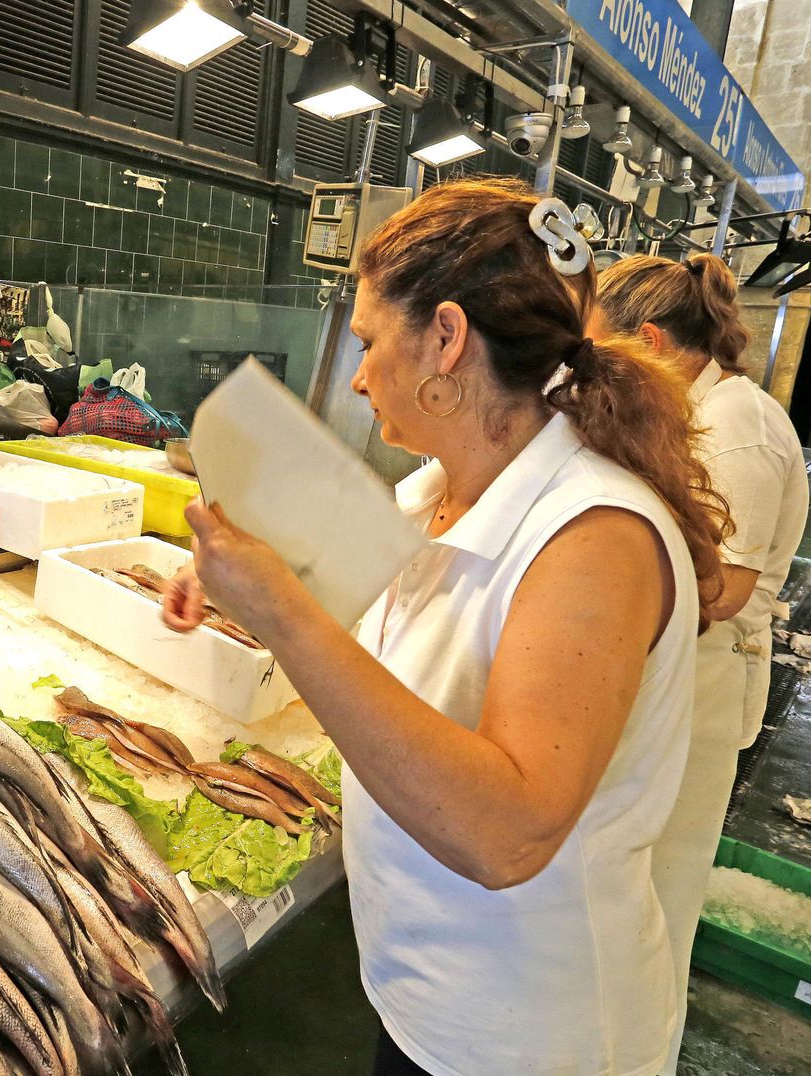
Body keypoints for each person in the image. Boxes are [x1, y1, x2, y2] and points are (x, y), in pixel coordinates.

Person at [163, 178, 730, 1075]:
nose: (355, 373)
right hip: (427, 998)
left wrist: (281, 610)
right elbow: (341, 618)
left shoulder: (595, 535)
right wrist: (230, 583)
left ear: (447, 337)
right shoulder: (433, 492)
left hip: (537, 1040)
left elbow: (508, 834)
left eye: (367, 340)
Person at [593, 253, 807, 1074]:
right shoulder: (691, 413)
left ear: (649, 341)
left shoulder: (738, 426)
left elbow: (722, 590)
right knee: (625, 894)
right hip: (668, 685)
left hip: (705, 693)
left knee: (661, 902)